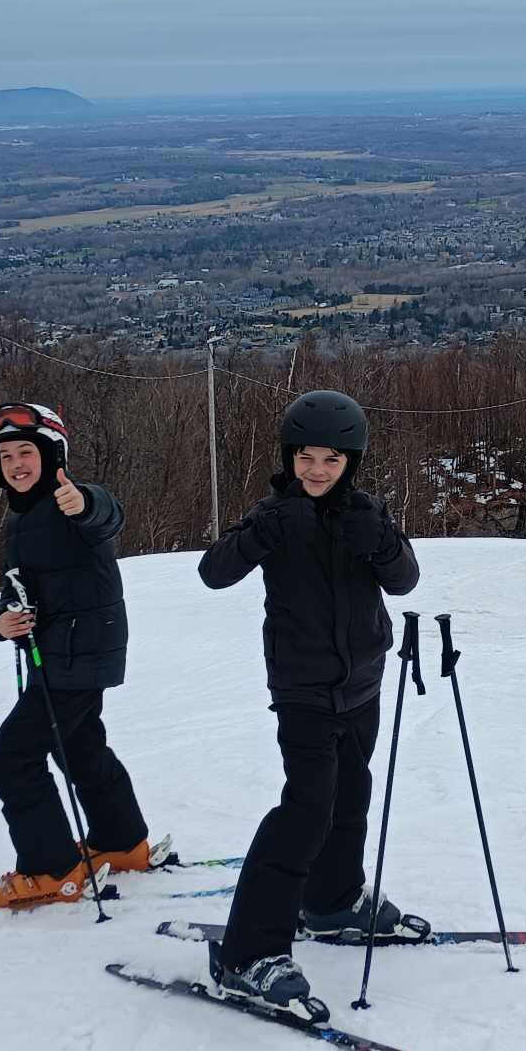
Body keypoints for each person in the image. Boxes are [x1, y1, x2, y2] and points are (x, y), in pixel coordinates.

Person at [196, 389, 425, 1015]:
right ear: (289, 457)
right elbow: (213, 572)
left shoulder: (367, 513)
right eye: (305, 457)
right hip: (302, 690)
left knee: (351, 795)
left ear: (351, 461)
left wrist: (379, 541)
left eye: (330, 459)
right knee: (305, 811)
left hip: (362, 683)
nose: (316, 471)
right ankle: (247, 954)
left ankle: (332, 901)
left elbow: (404, 579)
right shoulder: (275, 515)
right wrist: (260, 533)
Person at [0, 401, 156, 910]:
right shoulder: (24, 519)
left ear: (51, 454)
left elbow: (105, 515)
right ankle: (123, 843)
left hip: (77, 656)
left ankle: (51, 870)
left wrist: (87, 503)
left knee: (14, 755)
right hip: (61, 654)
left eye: (26, 452)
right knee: (79, 747)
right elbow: (19, 590)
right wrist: (0, 621)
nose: (16, 463)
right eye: (6, 455)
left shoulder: (66, 503)